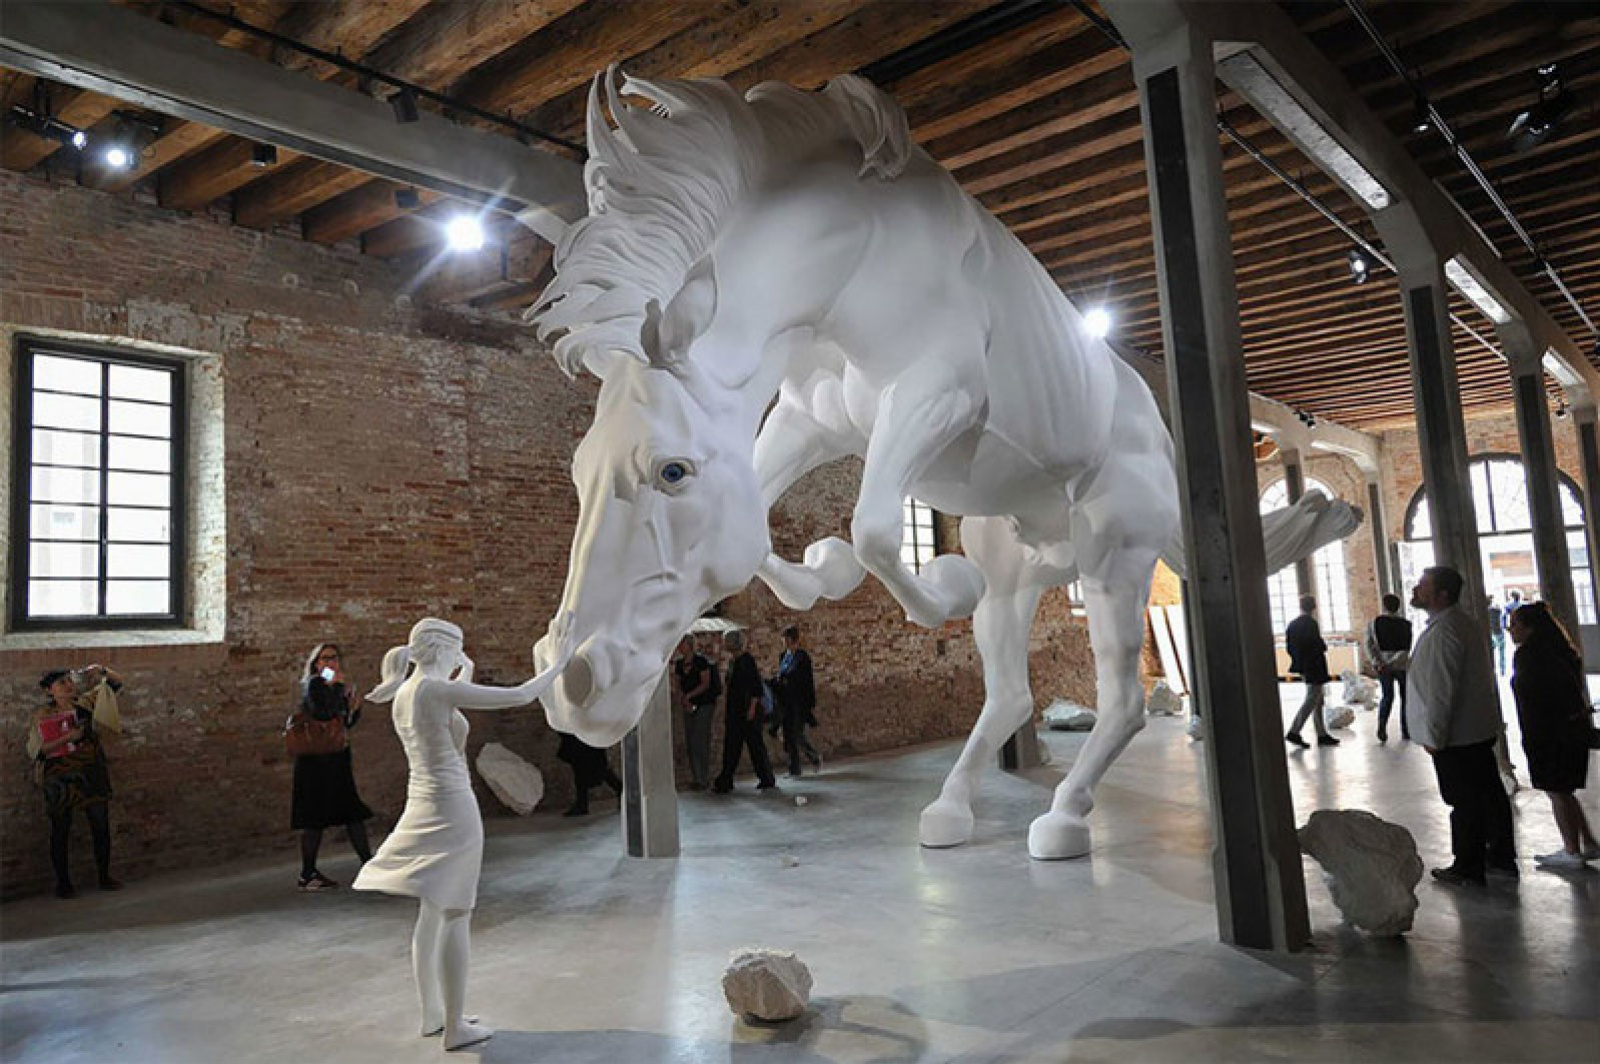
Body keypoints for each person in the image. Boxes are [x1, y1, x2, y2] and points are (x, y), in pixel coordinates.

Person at [355, 617, 564, 1051]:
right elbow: (520, 694)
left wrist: (464, 671)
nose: (460, 656)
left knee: (432, 911)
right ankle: (455, 1027)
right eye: (458, 648)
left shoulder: (407, 692)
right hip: (453, 809)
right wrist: (559, 662)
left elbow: (444, 718)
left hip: (424, 802)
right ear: (443, 648)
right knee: (456, 912)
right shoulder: (436, 690)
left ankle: (434, 1014)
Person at [1407, 566, 1518, 885]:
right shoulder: (1456, 623)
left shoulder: (1446, 631)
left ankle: (1469, 865)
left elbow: (1442, 690)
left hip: (1457, 737)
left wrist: (1435, 735)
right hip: (1472, 731)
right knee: (1488, 795)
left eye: (1423, 586)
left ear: (1442, 595)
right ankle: (1499, 857)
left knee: (1464, 800)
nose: (1416, 589)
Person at [1506, 602, 1600, 870]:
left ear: (1530, 628)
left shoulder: (1530, 656)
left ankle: (1571, 850)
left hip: (1548, 734)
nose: (1510, 630)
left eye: (1515, 624)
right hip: (1569, 731)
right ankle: (1587, 842)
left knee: (1557, 792)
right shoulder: (1559, 651)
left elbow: (1536, 699)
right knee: (1564, 792)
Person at [28, 664, 125, 898]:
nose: (68, 686)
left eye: (69, 681)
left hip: (90, 770)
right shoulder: (42, 716)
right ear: (49, 691)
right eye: (61, 683)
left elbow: (116, 683)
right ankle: (63, 883)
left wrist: (102, 670)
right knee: (61, 829)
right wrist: (68, 738)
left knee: (100, 824)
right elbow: (38, 751)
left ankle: (104, 875)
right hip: (59, 775)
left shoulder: (86, 703)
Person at [290, 643, 373, 892]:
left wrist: (353, 707)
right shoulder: (314, 684)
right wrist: (336, 687)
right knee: (314, 818)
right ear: (316, 663)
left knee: (351, 813)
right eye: (324, 659)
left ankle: (369, 865)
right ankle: (308, 874)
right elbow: (322, 713)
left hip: (336, 759)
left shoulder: (337, 686)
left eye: (334, 658)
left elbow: (345, 722)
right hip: (315, 763)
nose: (330, 663)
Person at [712, 629, 776, 793]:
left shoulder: (747, 661)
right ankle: (726, 779)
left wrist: (752, 708)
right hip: (735, 710)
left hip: (747, 710)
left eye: (727, 641)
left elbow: (755, 688)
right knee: (732, 745)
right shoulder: (734, 661)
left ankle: (766, 777)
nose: (724, 644)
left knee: (755, 745)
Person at [1284, 595, 1338, 747]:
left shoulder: (1293, 624)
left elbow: (1290, 647)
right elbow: (1316, 645)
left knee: (1317, 699)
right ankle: (1294, 731)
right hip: (1314, 665)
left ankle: (1321, 734)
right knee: (1312, 698)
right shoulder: (1311, 623)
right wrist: (1322, 647)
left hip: (1303, 665)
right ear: (1313, 607)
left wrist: (1298, 662)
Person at [772, 626, 821, 778]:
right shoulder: (783, 656)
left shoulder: (802, 657)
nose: (785, 643)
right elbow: (781, 675)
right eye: (784, 640)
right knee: (789, 735)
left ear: (794, 640)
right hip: (786, 701)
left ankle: (812, 757)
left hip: (798, 702)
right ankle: (794, 768)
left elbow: (806, 680)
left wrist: (809, 703)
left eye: (787, 640)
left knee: (796, 734)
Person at [1366, 593, 1414, 743]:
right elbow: (1406, 648)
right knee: (1405, 697)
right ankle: (1406, 729)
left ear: (1384, 606)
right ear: (1398, 607)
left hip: (1382, 665)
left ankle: (1382, 724)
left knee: (1387, 696)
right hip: (1401, 665)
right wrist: (1392, 663)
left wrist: (1378, 663)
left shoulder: (1374, 623)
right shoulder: (1406, 624)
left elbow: (1369, 645)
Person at [674, 635, 717, 789]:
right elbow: (678, 684)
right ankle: (696, 777)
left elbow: (705, 683)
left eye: (683, 643)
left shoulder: (701, 662)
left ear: (690, 645)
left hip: (703, 704)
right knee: (691, 741)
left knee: (700, 740)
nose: (680, 646)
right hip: (688, 705)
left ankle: (703, 778)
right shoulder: (679, 664)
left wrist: (690, 695)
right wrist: (683, 698)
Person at [556, 733, 622, 816]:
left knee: (597, 768)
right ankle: (581, 803)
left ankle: (621, 790)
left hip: (587, 737)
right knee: (581, 770)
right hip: (580, 738)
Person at [1487, 595, 1507, 675]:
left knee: (1491, 652)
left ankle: (1493, 668)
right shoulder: (1497, 610)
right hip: (1499, 632)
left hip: (1491, 632)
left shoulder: (1484, 612)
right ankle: (1502, 669)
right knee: (1501, 652)